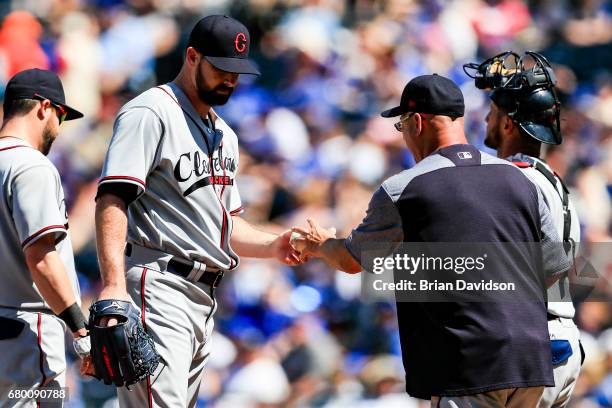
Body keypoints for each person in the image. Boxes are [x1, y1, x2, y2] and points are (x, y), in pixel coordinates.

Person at [293, 74, 570, 407]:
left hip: (468, 366)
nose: (405, 135)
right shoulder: (519, 179)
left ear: (418, 122)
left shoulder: (405, 188)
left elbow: (352, 261)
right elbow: (554, 269)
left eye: (402, 125)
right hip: (530, 364)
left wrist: (320, 243)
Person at [94, 15, 301, 407]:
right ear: (192, 57)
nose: (231, 79)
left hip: (204, 300)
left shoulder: (225, 134)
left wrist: (276, 244)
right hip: (158, 286)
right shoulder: (151, 111)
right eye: (221, 68)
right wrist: (113, 286)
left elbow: (225, 228)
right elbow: (112, 198)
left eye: (237, 71)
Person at [470, 51, 582, 408]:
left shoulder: (510, 180)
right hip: (560, 341)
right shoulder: (553, 182)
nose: (487, 119)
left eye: (492, 113)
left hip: (524, 341)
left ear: (507, 124)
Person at [0, 68, 90, 407]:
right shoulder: (31, 166)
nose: (59, 126)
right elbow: (41, 257)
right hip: (27, 334)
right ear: (43, 108)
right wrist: (80, 330)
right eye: (61, 115)